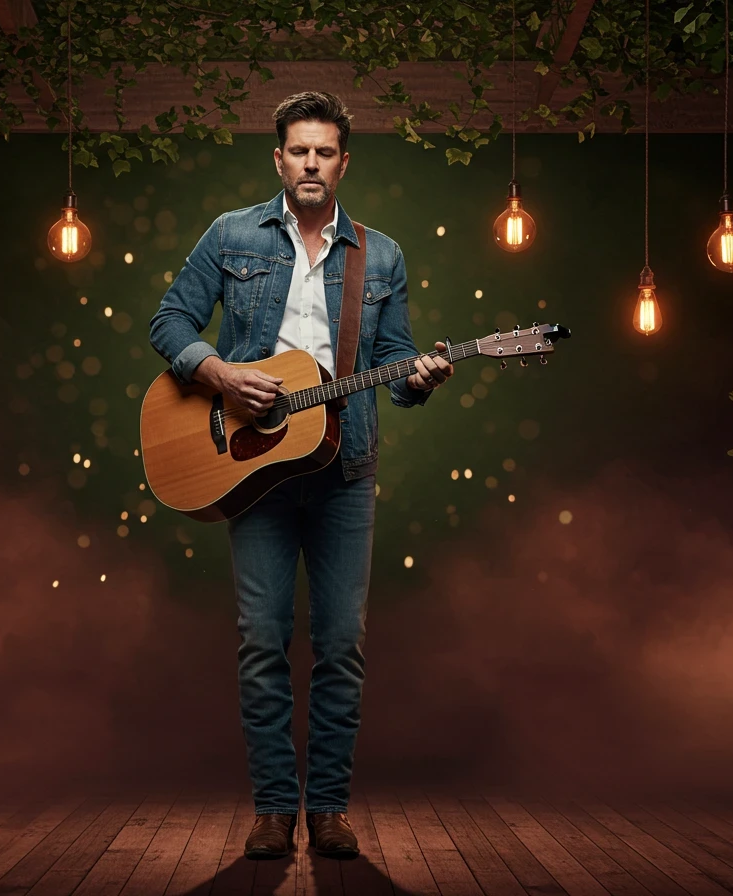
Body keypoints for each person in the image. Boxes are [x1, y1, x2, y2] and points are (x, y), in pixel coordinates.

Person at [148, 91, 454, 860]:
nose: (311, 163)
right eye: (299, 151)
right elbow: (168, 323)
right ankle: (274, 810)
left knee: (342, 642)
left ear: (343, 163)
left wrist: (416, 378)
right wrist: (219, 374)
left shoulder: (379, 255)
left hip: (344, 469)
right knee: (261, 640)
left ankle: (328, 810)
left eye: (325, 152)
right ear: (278, 158)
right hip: (251, 469)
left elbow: (392, 363)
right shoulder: (230, 235)